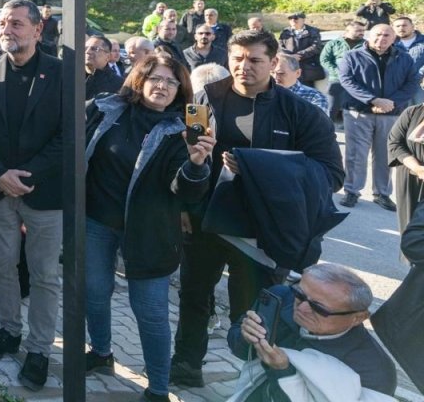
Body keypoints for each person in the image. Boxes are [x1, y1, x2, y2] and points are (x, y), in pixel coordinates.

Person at [171, 29, 344, 389]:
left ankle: (253, 383)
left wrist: (260, 167)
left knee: (253, 314)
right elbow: (181, 157)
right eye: (237, 58)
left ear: (274, 62)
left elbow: (332, 174)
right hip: (205, 224)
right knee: (193, 297)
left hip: (263, 233)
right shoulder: (204, 100)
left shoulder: (299, 112)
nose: (243, 67)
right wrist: (184, 208)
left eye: (254, 60)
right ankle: (186, 367)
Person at [83, 55, 214, 402]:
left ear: (181, 89)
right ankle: (101, 352)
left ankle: (158, 388)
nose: (162, 86)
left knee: (152, 312)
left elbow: (187, 191)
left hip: (150, 232)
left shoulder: (183, 130)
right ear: (138, 80)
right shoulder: (107, 109)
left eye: (171, 82)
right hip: (97, 221)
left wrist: (197, 162)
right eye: (155, 78)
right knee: (94, 292)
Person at [0, 0, 64, 391]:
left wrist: (27, 174)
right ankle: (9, 329)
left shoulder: (62, 73)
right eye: (4, 23)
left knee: (44, 275)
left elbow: (69, 134)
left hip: (44, 192)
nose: (8, 30)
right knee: (1, 265)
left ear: (38, 30)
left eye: (18, 24)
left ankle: (39, 349)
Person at [227, 264, 396, 399]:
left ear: (358, 318)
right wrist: (245, 337)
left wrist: (283, 372)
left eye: (318, 308)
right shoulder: (281, 298)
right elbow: (239, 349)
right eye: (299, 294)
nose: (302, 308)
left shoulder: (374, 372)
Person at [338, 23, 421, 211]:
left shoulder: (405, 59)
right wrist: (373, 100)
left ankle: (382, 194)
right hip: (358, 112)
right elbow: (347, 80)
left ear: (393, 38)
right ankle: (352, 191)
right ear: (368, 36)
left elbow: (412, 82)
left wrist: (390, 102)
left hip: (391, 113)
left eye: (386, 35)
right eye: (377, 35)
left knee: (386, 155)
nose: (381, 39)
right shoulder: (352, 56)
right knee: (356, 154)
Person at [388, 102, 424, 242]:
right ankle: (412, 262)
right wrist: (417, 168)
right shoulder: (412, 112)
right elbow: (395, 143)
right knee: (409, 229)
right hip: (410, 178)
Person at [321, 20, 367, 123]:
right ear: (347, 31)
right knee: (331, 108)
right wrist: (339, 72)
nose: (362, 33)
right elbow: (325, 60)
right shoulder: (334, 43)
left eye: (363, 30)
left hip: (358, 82)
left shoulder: (366, 45)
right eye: (358, 30)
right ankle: (326, 129)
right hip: (337, 80)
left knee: (356, 109)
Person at [279, 12, 324, 84]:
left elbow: (316, 47)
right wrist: (291, 57)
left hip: (308, 70)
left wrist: (300, 55)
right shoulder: (285, 32)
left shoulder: (313, 31)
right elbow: (281, 47)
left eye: (296, 18)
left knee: (307, 91)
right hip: (290, 68)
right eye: (290, 19)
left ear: (303, 20)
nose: (293, 20)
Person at [393, 15, 424, 104]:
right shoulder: (390, 43)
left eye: (404, 25)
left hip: (419, 84)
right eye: (397, 26)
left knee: (419, 113)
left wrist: (420, 73)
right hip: (397, 85)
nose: (401, 28)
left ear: (412, 27)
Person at [84, 35, 123, 99]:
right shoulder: (71, 76)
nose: (87, 52)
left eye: (94, 49)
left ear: (108, 56)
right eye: (85, 48)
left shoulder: (118, 84)